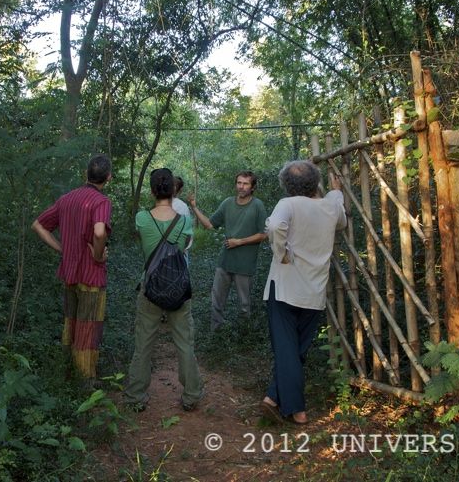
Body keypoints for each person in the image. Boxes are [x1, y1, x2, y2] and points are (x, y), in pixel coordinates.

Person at [259, 160, 345, 425]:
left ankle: (297, 410)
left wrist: (281, 252)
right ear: (315, 182)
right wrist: (335, 191)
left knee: (286, 348)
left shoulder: (288, 204)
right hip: (314, 289)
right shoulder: (330, 206)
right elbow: (340, 219)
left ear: (286, 185)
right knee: (296, 349)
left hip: (285, 287)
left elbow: (274, 227)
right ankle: (273, 396)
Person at [124, 168, 203, 412]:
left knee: (143, 343)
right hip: (178, 288)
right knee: (184, 343)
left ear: (151, 191)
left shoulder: (141, 218)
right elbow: (185, 245)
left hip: (150, 288)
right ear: (173, 190)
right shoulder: (185, 220)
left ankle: (136, 396)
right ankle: (191, 395)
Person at [32, 154, 113, 381]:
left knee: (72, 323)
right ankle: (85, 381)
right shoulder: (101, 202)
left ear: (86, 174)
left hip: (70, 274)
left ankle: (66, 374)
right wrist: (98, 256)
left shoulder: (67, 199)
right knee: (88, 328)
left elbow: (38, 225)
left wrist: (62, 249)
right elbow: (99, 232)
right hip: (91, 276)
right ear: (108, 177)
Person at [188, 171, 267, 331]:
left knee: (244, 304)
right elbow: (210, 225)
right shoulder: (228, 203)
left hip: (245, 263)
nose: (241, 187)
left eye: (245, 184)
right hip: (225, 261)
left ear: (253, 187)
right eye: (239, 183)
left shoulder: (258, 205)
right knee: (216, 300)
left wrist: (240, 241)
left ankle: (244, 334)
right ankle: (216, 333)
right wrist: (194, 207)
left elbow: (264, 234)